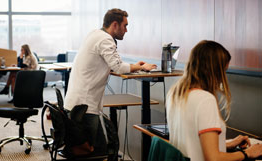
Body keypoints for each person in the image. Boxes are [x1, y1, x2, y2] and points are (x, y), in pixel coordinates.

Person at [64, 8, 156, 155]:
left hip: (77, 104)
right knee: (100, 153)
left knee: (100, 150)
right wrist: (140, 67)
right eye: (125, 25)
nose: (126, 30)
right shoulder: (105, 39)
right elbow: (118, 67)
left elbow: (111, 63)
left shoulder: (95, 34)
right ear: (115, 24)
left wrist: (133, 66)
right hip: (84, 107)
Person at [166, 40, 262, 161]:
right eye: (223, 71)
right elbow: (213, 158)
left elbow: (191, 144)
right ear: (214, 71)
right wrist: (248, 153)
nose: (222, 78)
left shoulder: (175, 93)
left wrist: (227, 144)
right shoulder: (205, 100)